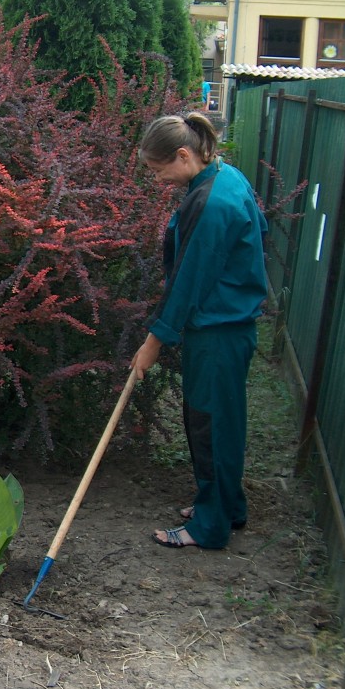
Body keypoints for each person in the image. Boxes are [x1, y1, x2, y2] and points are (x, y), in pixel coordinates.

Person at [131, 113, 267, 550]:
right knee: (218, 421)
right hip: (224, 326)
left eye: (158, 169)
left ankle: (211, 527)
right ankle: (226, 504)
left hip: (219, 332)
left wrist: (154, 341)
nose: (156, 179)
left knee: (211, 425)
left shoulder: (212, 204)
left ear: (184, 155)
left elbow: (190, 278)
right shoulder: (225, 177)